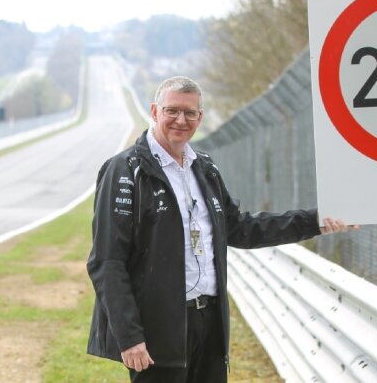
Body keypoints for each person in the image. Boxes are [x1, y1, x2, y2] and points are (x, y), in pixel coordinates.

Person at [86, 76, 356, 383]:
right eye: (172, 110)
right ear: (154, 111)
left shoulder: (204, 168)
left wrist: (315, 220)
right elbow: (106, 260)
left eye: (190, 113)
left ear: (200, 118)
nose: (180, 120)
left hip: (210, 321)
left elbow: (241, 229)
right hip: (158, 326)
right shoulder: (125, 170)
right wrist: (129, 336)